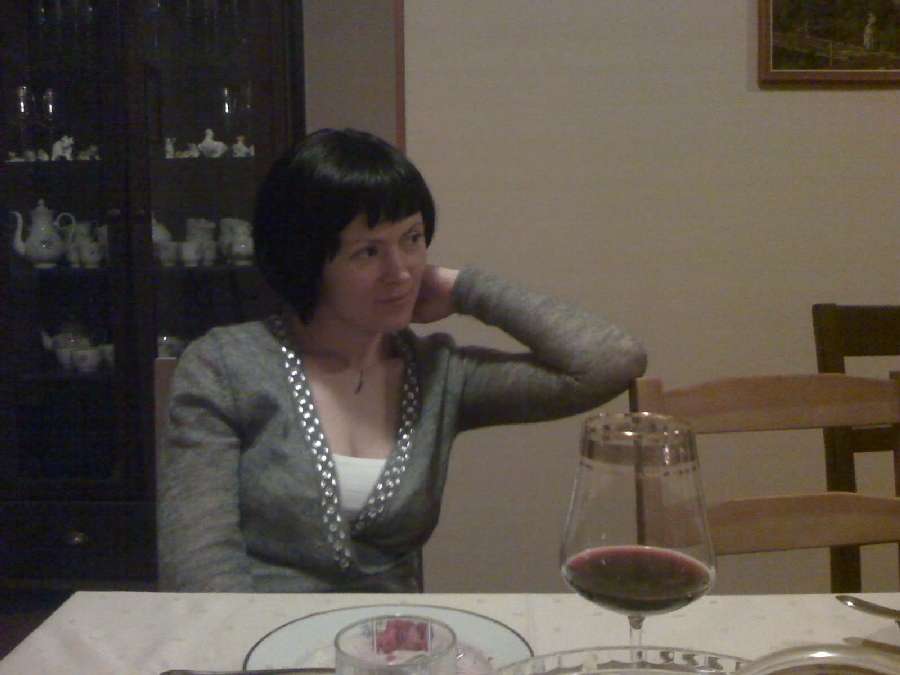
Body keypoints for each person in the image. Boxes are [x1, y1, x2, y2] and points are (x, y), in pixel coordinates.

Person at [157, 128, 647, 592]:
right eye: (368, 252)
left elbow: (610, 362)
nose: (402, 272)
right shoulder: (226, 367)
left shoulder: (440, 375)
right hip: (257, 636)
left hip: (394, 638)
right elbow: (199, 569)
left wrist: (463, 289)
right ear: (305, 261)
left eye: (412, 239)